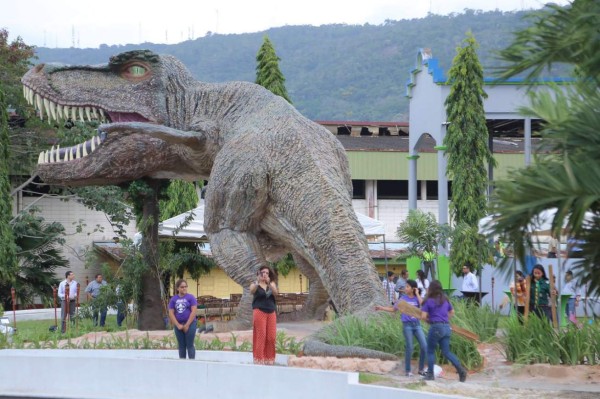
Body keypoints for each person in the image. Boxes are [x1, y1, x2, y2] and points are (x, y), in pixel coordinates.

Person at [376, 279, 427, 377]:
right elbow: (393, 309)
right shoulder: (403, 299)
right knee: (410, 347)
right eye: (405, 286)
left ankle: (421, 370)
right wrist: (381, 308)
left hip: (417, 325)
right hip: (407, 325)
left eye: (407, 287)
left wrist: (417, 294)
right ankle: (408, 371)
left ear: (413, 289)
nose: (405, 288)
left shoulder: (417, 298)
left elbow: (423, 305)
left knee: (424, 346)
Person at [420, 280, 467, 382]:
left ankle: (430, 375)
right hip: (446, 327)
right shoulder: (445, 299)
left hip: (436, 327)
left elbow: (423, 316)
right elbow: (452, 312)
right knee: (446, 352)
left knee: (430, 351)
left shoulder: (429, 300)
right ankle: (461, 370)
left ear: (431, 288)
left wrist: (430, 321)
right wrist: (444, 320)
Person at [249, 266, 279, 365]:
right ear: (259, 273)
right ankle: (259, 359)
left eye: (267, 272)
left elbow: (276, 293)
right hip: (259, 311)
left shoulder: (272, 284)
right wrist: (258, 282)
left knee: (271, 337)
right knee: (261, 335)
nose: (265, 274)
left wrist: (269, 283)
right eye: (262, 272)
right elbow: (251, 291)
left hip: (271, 311)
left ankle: (269, 359)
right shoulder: (255, 284)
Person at [168, 279, 198, 359]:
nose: (184, 288)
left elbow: (193, 312)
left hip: (190, 324)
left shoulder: (191, 297)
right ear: (177, 288)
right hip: (178, 325)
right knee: (181, 345)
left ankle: (192, 364)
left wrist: (187, 325)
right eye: (182, 287)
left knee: (190, 345)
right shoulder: (173, 299)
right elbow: (171, 313)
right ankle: (182, 365)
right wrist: (177, 325)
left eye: (185, 287)